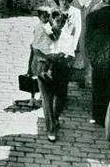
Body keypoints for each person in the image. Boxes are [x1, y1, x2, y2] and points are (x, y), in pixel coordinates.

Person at [36, 10, 71, 142]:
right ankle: (51, 129)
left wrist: (66, 56)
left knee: (61, 97)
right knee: (47, 101)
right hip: (45, 70)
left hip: (61, 70)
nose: (60, 24)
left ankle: (55, 118)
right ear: (52, 20)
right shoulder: (43, 32)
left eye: (62, 22)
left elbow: (72, 53)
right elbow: (36, 50)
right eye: (57, 21)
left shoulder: (67, 35)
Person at [73, 0, 101, 88]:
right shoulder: (73, 3)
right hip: (78, 37)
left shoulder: (98, 2)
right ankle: (80, 78)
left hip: (92, 36)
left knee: (92, 58)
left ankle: (90, 79)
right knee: (79, 59)